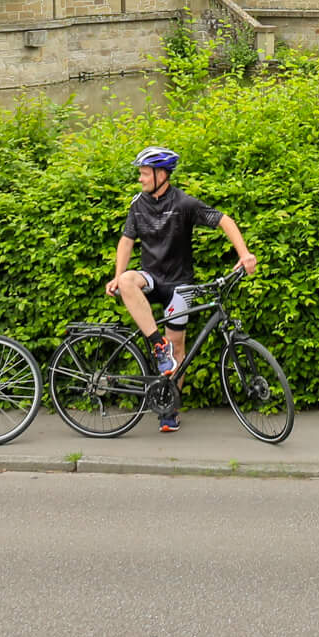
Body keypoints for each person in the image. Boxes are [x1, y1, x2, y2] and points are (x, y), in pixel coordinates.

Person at [105, 145, 256, 433]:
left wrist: (244, 254)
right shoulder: (138, 204)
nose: (140, 178)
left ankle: (169, 408)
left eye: (144, 173)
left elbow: (224, 220)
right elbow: (127, 240)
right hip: (151, 278)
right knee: (126, 281)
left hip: (179, 286)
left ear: (161, 175)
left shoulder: (184, 203)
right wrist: (117, 274)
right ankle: (157, 344)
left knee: (178, 348)